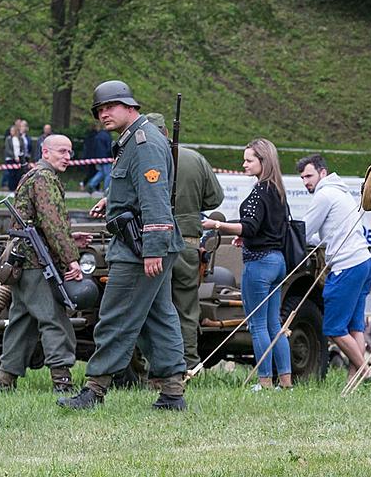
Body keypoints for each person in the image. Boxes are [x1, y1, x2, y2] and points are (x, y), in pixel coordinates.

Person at [58, 80, 186, 411]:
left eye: (110, 107)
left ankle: (94, 390)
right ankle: (172, 393)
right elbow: (135, 188)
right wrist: (110, 199)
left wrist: (153, 248)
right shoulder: (133, 141)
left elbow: (156, 197)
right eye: (99, 110)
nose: (103, 114)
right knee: (159, 317)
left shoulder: (143, 142)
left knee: (115, 316)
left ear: (131, 107)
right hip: (142, 244)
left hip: (140, 247)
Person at [0, 135, 92, 393]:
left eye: (70, 152)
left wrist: (70, 239)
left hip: (23, 260)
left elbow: (42, 224)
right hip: (36, 261)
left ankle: (5, 381)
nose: (67, 157)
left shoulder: (33, 175)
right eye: (61, 151)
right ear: (45, 152)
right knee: (54, 319)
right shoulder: (44, 178)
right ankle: (62, 381)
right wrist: (71, 259)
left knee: (22, 320)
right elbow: (53, 223)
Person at [202, 139, 292, 391]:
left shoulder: (259, 192)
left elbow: (250, 225)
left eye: (249, 160)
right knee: (276, 324)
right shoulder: (277, 190)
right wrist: (247, 234)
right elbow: (267, 227)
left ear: (263, 161)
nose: (244, 164)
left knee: (258, 325)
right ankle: (286, 382)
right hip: (278, 262)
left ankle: (264, 383)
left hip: (259, 264)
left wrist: (216, 225)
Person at [145, 112, 223, 370]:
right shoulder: (195, 159)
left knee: (154, 309)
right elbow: (215, 199)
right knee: (187, 310)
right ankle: (189, 364)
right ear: (166, 132)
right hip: (189, 243)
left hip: (155, 246)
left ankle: (157, 366)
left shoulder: (143, 158)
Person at [296, 153, 371, 383]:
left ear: (323, 173)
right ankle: (354, 380)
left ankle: (366, 374)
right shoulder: (341, 191)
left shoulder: (325, 195)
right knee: (354, 326)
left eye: (309, 175)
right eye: (301, 177)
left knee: (333, 328)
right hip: (363, 262)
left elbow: (305, 232)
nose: (305, 181)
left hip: (346, 265)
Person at [86, 120, 113, 193]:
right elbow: (109, 147)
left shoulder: (97, 136)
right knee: (108, 174)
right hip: (106, 157)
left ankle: (91, 184)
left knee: (101, 173)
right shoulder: (107, 136)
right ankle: (107, 190)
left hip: (98, 157)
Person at [3, 123, 25, 191]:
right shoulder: (8, 139)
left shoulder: (20, 138)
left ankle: (17, 188)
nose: (11, 132)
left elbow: (22, 148)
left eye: (12, 131)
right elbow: (7, 149)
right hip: (10, 158)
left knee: (18, 174)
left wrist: (20, 156)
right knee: (11, 174)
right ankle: (11, 188)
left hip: (19, 158)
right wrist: (14, 156)